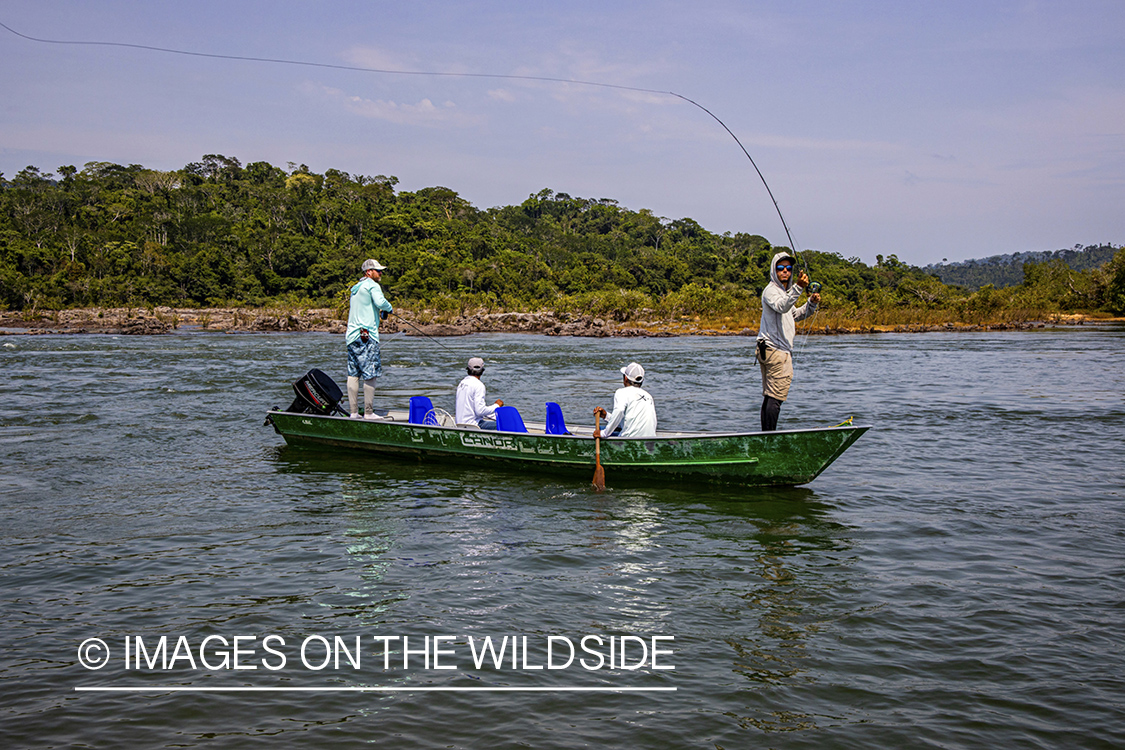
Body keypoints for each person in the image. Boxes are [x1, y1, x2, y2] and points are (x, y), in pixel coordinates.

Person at [755, 251, 820, 431]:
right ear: (774, 270)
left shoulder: (784, 292)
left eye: (788, 268)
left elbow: (794, 314)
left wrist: (811, 303)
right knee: (775, 398)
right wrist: (798, 287)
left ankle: (766, 435)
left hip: (770, 350)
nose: (785, 271)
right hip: (775, 351)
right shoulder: (771, 291)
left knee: (770, 396)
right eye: (781, 268)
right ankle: (769, 438)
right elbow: (782, 305)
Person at [345, 259, 393, 419]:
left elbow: (368, 305)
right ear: (368, 272)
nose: (380, 273)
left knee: (353, 374)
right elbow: (380, 302)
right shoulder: (372, 285)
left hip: (352, 336)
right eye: (377, 271)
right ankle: (368, 412)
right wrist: (389, 308)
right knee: (370, 373)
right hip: (366, 336)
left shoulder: (355, 288)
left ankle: (353, 413)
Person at [600, 362, 658, 438]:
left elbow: (619, 411)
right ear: (642, 381)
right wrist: (606, 416)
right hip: (651, 439)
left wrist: (603, 434)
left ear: (626, 378)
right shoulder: (648, 396)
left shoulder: (621, 392)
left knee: (600, 429)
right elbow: (629, 421)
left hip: (629, 439)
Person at [455, 357, 503, 429]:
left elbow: (473, 408)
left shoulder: (462, 383)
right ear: (482, 370)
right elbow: (480, 411)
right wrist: (497, 405)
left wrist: (490, 415)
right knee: (504, 424)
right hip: (473, 425)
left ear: (468, 370)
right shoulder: (479, 385)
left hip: (459, 424)